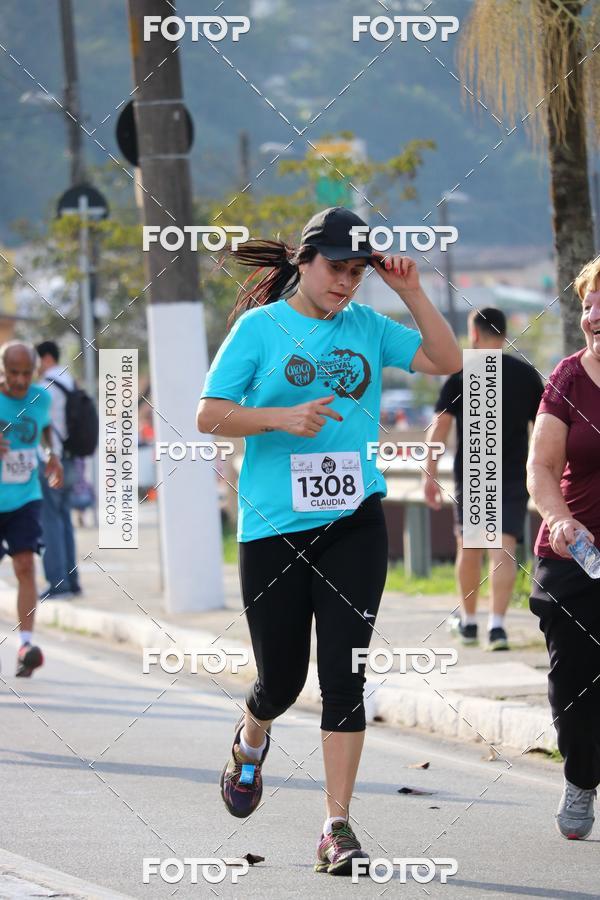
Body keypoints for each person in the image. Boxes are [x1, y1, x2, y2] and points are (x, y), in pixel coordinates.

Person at [196, 207, 461, 875]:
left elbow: (447, 360)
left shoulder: (368, 326)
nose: (346, 282)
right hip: (275, 531)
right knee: (281, 682)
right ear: (306, 261)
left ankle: (335, 826)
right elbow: (208, 414)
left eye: (356, 272)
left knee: (345, 676)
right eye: (337, 268)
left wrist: (410, 291)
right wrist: (281, 417)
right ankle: (252, 735)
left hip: (354, 524)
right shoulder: (259, 329)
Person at [527, 259, 600, 840]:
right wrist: (560, 519)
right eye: (587, 305)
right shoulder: (568, 378)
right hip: (575, 555)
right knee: (574, 681)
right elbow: (542, 467)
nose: (593, 317)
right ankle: (580, 777)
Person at [422, 308, 543, 650]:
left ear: (473, 335)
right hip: (514, 473)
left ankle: (471, 623)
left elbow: (439, 430)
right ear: (504, 336)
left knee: (470, 548)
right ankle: (499, 627)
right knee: (503, 549)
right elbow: (544, 430)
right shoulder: (525, 375)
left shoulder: (463, 373)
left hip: (476, 471)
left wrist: (429, 473)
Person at [0, 341, 63, 676]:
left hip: (25, 496)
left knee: (25, 565)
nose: (21, 381)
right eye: (13, 373)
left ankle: (25, 644)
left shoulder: (42, 398)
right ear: (2, 370)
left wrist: (50, 454)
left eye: (26, 373)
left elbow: (44, 429)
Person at [36, 340, 81, 598]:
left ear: (44, 358)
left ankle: (57, 583)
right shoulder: (69, 379)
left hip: (51, 460)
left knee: (49, 521)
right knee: (64, 519)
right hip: (72, 458)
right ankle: (72, 580)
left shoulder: (45, 388)